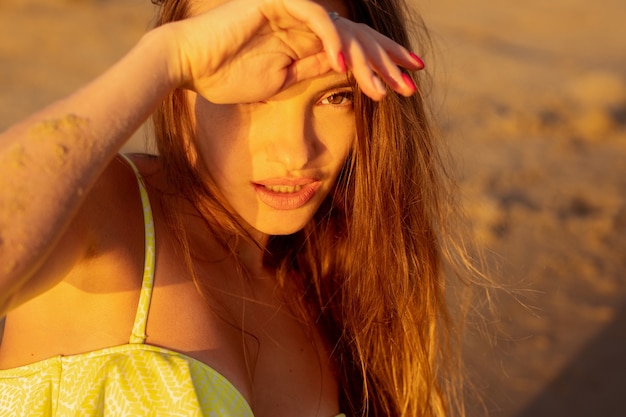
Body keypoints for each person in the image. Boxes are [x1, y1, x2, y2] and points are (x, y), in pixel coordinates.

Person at [0, 0, 472, 415]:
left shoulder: (331, 287)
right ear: (180, 94)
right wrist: (165, 58)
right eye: (249, 96)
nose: (295, 154)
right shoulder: (108, 218)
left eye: (335, 96)